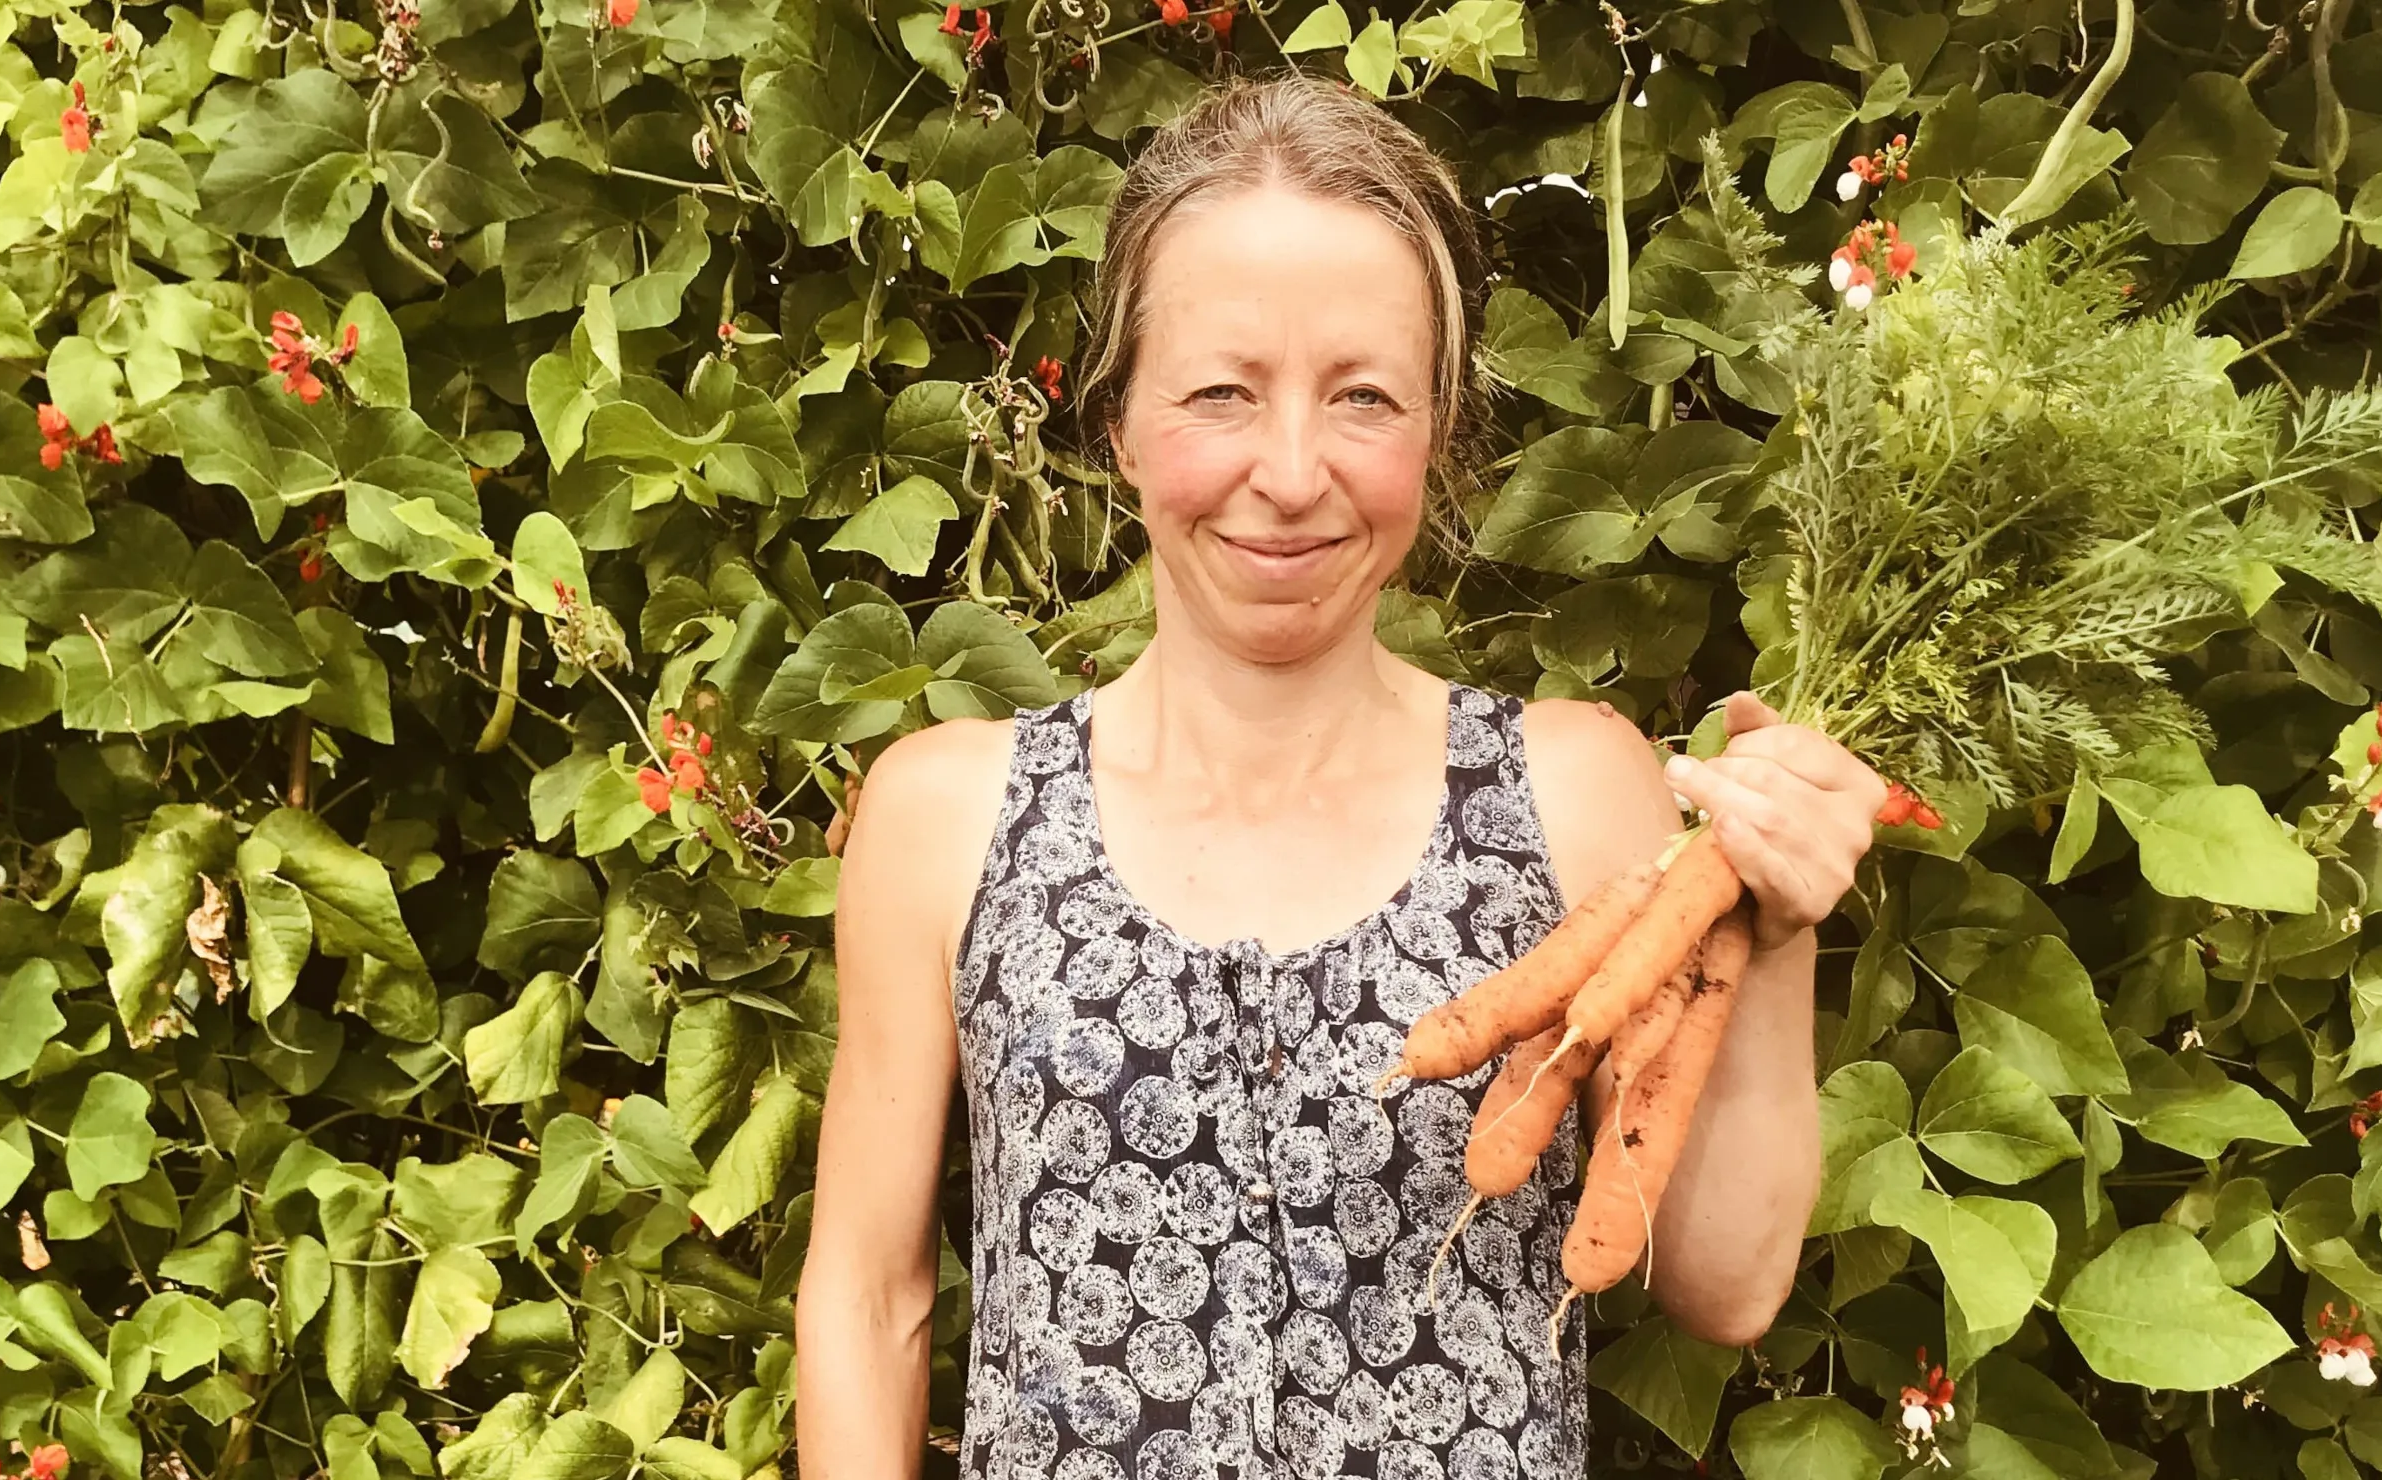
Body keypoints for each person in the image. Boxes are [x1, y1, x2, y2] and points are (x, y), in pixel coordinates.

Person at [796, 74, 1879, 1480]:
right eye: (1220, 395)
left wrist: (1776, 926)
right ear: (1120, 420)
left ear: (1439, 432)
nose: (1291, 472)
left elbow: (1721, 1286)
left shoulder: (1569, 795)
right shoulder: (950, 816)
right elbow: (868, 1300)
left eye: (1362, 395)